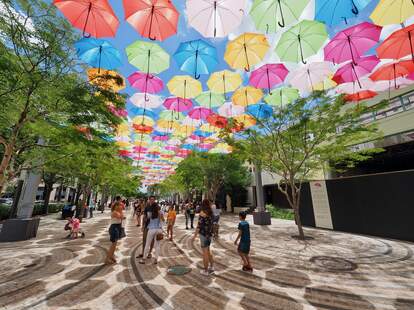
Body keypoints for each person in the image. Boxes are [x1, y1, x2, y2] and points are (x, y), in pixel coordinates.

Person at [192, 199, 214, 276]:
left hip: (203, 234)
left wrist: (194, 236)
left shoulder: (202, 213)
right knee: (208, 250)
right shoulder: (211, 213)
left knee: (205, 253)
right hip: (209, 234)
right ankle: (211, 267)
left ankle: (206, 270)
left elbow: (199, 226)